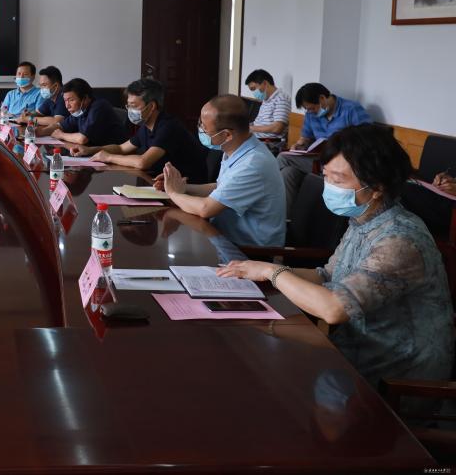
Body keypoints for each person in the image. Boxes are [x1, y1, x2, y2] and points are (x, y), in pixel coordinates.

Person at [218, 124, 453, 391]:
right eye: (326, 176)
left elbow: (334, 309)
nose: (328, 187)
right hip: (353, 353)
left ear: (376, 187)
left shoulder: (400, 239)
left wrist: (271, 273)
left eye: (338, 181)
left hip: (395, 378)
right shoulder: (364, 220)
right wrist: (253, 271)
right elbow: (327, 275)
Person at [156, 94, 286, 246]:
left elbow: (206, 209)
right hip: (222, 236)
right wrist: (182, 187)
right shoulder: (236, 148)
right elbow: (221, 187)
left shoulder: (253, 164)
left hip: (248, 251)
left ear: (227, 135)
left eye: (205, 128)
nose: (200, 130)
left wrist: (173, 193)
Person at [70, 78, 208, 182]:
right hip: (163, 182)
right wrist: (89, 150)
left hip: (190, 187)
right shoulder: (146, 126)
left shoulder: (168, 127)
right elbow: (121, 148)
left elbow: (143, 162)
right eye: (128, 106)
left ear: (151, 106)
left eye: (134, 106)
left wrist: (109, 157)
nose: (130, 110)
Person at [279, 82, 372, 209]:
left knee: (283, 158)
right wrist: (299, 145)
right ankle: (285, 217)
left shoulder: (351, 109)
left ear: (322, 98)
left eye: (312, 108)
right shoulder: (311, 115)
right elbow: (305, 137)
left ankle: (264, 194)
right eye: (307, 109)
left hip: (343, 162)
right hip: (318, 160)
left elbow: (368, 139)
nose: (310, 112)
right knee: (288, 173)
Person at [49, 78, 128, 147]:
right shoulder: (79, 111)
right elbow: (61, 126)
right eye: (65, 101)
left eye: (71, 100)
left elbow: (82, 139)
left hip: (116, 152)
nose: (67, 106)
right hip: (95, 150)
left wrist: (61, 135)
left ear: (85, 98)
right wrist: (42, 131)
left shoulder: (99, 107)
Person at [244, 69, 291, 153]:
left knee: (234, 144)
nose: (254, 93)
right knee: (229, 139)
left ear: (265, 83)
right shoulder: (266, 100)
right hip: (257, 138)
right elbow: (258, 123)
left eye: (254, 89)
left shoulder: (281, 99)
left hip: (270, 142)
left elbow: (277, 128)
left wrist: (250, 128)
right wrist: (243, 126)